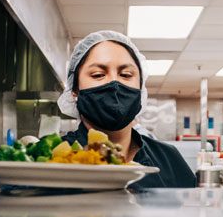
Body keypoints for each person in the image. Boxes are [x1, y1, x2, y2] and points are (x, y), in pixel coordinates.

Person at [57, 31, 195, 189]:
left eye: (126, 75)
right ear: (75, 91)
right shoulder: (47, 160)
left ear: (140, 89)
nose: (114, 83)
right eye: (98, 75)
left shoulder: (169, 159)